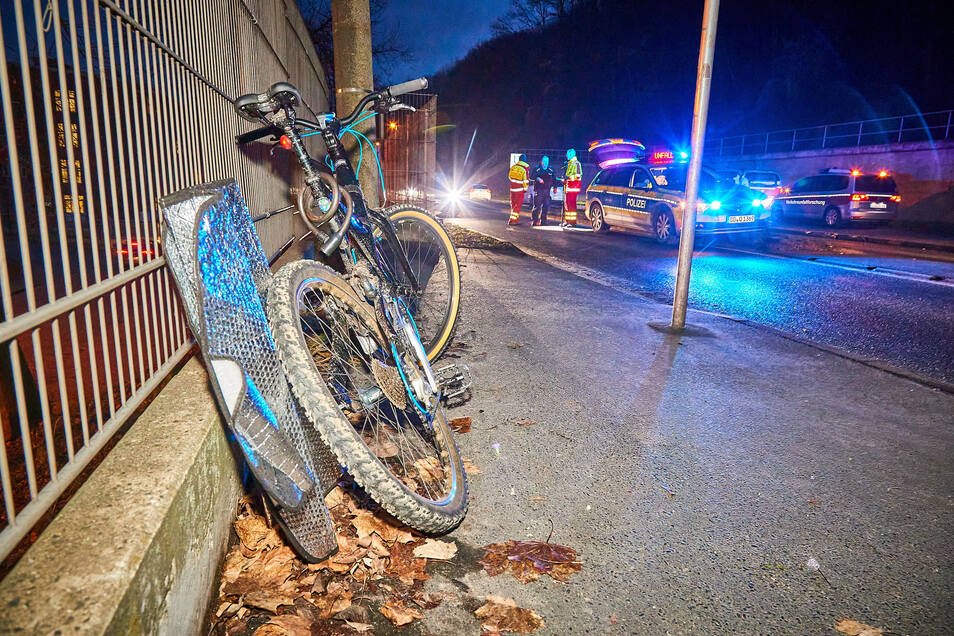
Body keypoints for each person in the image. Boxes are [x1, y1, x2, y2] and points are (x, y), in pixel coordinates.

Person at [530, 156, 554, 226]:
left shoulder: (550, 169)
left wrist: (555, 187)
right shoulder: (537, 169)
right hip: (538, 190)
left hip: (547, 191)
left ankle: (543, 221)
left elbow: (554, 179)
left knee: (546, 206)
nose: (546, 163)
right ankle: (535, 220)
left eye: (547, 161)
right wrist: (537, 178)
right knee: (537, 206)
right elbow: (531, 178)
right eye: (544, 161)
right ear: (541, 161)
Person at [562, 148, 582, 228]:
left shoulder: (576, 163)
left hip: (573, 188)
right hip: (568, 188)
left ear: (571, 154)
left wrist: (568, 177)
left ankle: (572, 222)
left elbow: (578, 176)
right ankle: (568, 221)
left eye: (567, 154)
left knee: (571, 205)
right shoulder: (570, 163)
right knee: (567, 205)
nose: (566, 156)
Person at [508, 154, 530, 226]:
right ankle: (513, 220)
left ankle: (514, 219)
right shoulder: (525, 169)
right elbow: (526, 180)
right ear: (525, 160)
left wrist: (514, 182)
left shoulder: (513, 167)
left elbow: (510, 177)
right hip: (520, 190)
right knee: (517, 206)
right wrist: (525, 189)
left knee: (513, 205)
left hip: (512, 189)